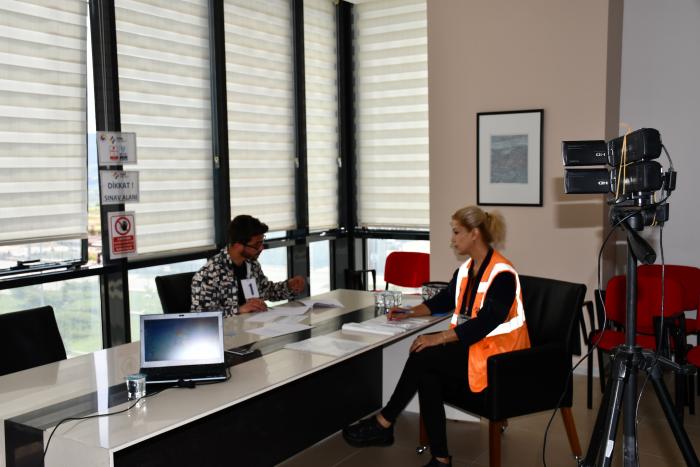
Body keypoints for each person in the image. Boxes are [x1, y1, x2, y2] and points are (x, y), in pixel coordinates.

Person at [342, 206, 530, 467]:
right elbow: (443, 300)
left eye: (456, 232)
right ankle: (440, 458)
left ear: (474, 234)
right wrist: (410, 312)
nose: (452, 239)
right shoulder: (466, 270)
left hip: (501, 359)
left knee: (425, 355)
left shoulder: (503, 275)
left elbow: (486, 322)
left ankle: (385, 422)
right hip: (476, 349)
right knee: (427, 371)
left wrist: (438, 338)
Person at [191, 215, 305, 316]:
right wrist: (239, 310)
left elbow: (267, 291)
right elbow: (201, 316)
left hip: (255, 326)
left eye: (262, 242)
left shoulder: (252, 264)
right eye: (256, 244)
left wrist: (289, 286)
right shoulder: (208, 274)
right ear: (237, 245)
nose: (261, 248)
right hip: (229, 332)